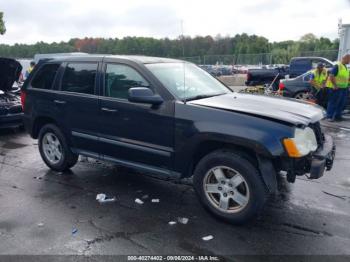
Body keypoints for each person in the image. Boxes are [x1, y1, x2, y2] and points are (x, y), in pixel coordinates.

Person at [325, 54, 350, 121]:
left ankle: (337, 116)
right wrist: (335, 85)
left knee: (341, 102)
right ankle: (329, 116)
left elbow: (345, 77)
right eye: (349, 59)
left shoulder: (345, 67)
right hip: (336, 88)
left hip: (343, 88)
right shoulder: (337, 66)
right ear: (345, 58)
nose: (349, 61)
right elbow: (331, 76)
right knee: (333, 102)